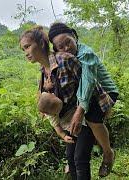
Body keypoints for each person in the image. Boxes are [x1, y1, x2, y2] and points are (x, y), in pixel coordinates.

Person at [20, 26, 95, 180]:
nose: (26, 53)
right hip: (68, 122)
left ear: (41, 43)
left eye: (27, 46)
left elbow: (90, 82)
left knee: (80, 159)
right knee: (71, 159)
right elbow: (48, 109)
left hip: (85, 116)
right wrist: (60, 132)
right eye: (23, 49)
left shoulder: (65, 59)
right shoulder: (42, 74)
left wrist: (97, 109)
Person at [48, 22, 119, 177]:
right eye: (61, 46)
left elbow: (88, 82)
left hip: (105, 91)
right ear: (57, 50)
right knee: (76, 123)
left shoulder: (85, 53)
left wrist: (80, 110)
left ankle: (108, 153)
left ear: (74, 36)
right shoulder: (63, 60)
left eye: (68, 41)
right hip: (89, 94)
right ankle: (74, 160)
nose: (66, 48)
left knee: (92, 119)